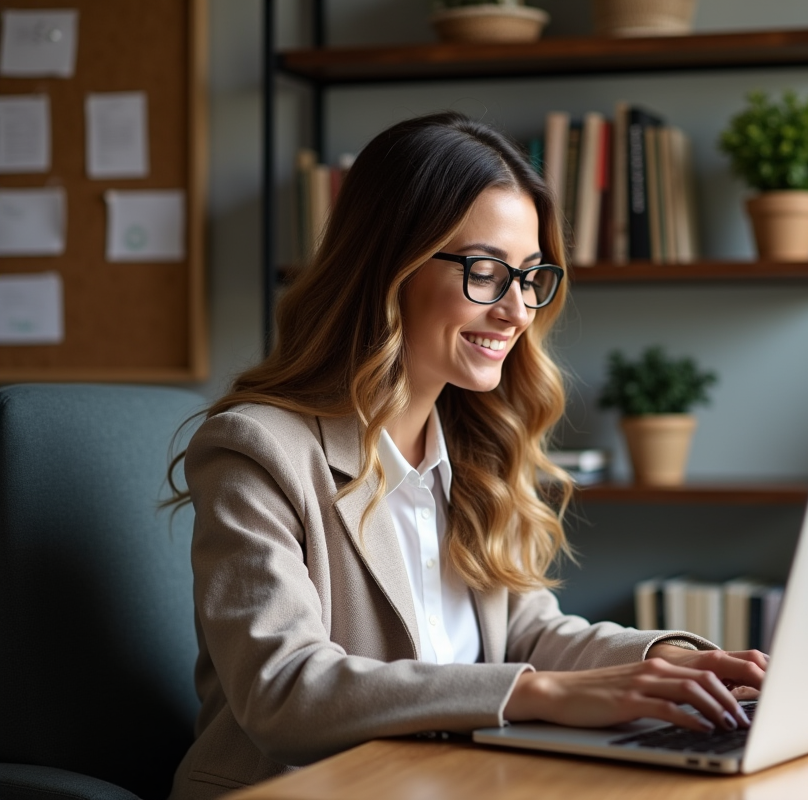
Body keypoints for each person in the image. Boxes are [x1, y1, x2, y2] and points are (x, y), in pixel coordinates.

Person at [166, 111, 767, 800]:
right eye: (486, 272)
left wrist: (674, 663)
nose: (517, 310)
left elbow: (528, 630)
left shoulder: (476, 445)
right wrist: (540, 694)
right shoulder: (259, 450)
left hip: (451, 782)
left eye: (531, 277)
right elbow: (287, 691)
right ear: (390, 264)